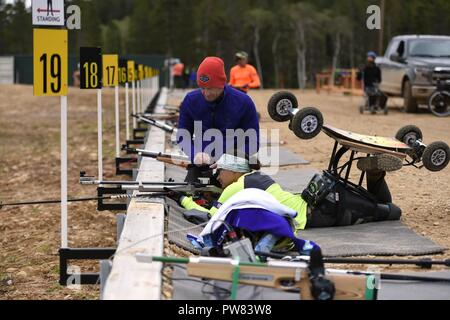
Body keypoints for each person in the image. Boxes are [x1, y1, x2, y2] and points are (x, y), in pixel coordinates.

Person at [168, 151, 403, 234]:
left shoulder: (236, 188)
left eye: (221, 171)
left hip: (316, 214)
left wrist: (183, 199)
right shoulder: (253, 179)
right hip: (317, 200)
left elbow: (211, 217)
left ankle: (375, 176)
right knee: (384, 207)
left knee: (392, 211)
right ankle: (374, 176)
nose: (218, 176)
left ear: (234, 171)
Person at [176, 57, 260, 169]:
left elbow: (253, 142)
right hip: (202, 163)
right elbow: (183, 136)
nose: (206, 93)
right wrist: (194, 154)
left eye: (210, 88)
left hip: (233, 164)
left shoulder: (243, 102)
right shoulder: (190, 100)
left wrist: (229, 159)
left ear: (221, 84)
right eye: (202, 88)